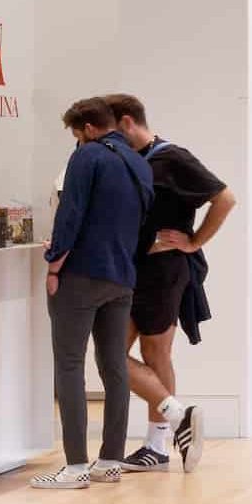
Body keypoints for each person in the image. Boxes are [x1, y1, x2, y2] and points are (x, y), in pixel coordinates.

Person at [102, 95, 230, 472]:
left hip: (163, 271)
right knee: (111, 352)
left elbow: (225, 198)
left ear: (127, 122)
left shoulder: (173, 158)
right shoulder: (127, 160)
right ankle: (177, 417)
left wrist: (194, 241)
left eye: (112, 131)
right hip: (130, 269)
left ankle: (157, 445)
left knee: (155, 353)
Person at [35, 98, 153, 490]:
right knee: (114, 366)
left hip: (82, 275)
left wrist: (54, 264)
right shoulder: (138, 160)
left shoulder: (87, 157)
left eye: (76, 134)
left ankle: (74, 466)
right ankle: (110, 460)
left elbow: (70, 215)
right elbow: (145, 223)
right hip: (123, 276)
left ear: (87, 129)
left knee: (69, 365)